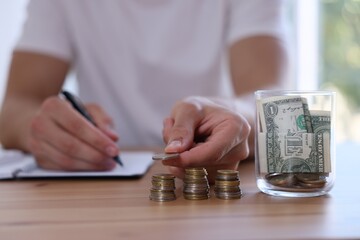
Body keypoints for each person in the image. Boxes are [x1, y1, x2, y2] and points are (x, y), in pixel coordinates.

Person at [0, 0, 288, 182]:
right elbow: (15, 106)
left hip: (226, 176)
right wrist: (38, 129)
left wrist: (236, 119)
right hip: (102, 186)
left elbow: (268, 97)